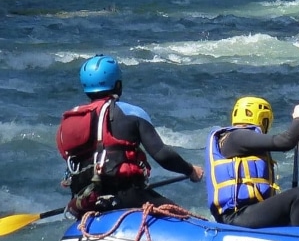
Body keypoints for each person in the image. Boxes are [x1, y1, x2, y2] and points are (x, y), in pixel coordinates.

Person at [56, 55, 204, 217]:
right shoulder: (131, 113)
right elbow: (162, 154)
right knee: (181, 216)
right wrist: (190, 170)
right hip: (125, 196)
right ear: (118, 84)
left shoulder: (72, 120)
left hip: (85, 201)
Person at [205, 96, 299, 227]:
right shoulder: (238, 137)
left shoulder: (236, 139)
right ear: (262, 119)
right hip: (237, 216)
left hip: (249, 212)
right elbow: (286, 142)